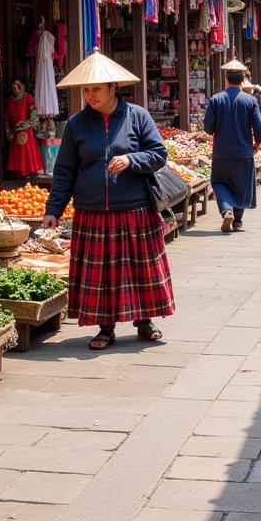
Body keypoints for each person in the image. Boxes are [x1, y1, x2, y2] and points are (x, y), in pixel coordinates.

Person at [42, 50, 174, 351]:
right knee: (100, 274)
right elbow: (64, 170)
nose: (90, 95)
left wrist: (131, 159)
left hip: (134, 208)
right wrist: (54, 210)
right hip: (91, 211)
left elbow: (159, 154)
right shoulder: (76, 124)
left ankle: (144, 321)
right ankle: (105, 328)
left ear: (113, 88)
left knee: (140, 269)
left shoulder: (137, 116)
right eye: (86, 90)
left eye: (96, 89)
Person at [204, 67, 261, 233]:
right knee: (241, 185)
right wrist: (257, 144)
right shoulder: (250, 100)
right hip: (244, 152)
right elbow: (259, 128)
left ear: (226, 80)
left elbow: (208, 127)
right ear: (243, 81)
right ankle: (237, 221)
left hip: (221, 152)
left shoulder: (216, 99)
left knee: (218, 182)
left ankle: (227, 210)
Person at [4, 77, 44, 177]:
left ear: (22, 86)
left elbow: (34, 116)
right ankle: (19, 174)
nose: (16, 88)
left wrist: (24, 124)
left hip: (26, 130)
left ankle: (29, 172)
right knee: (18, 155)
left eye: (18, 86)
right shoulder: (9, 100)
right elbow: (7, 118)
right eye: (14, 86)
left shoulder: (28, 97)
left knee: (27, 153)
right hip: (15, 131)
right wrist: (8, 132)